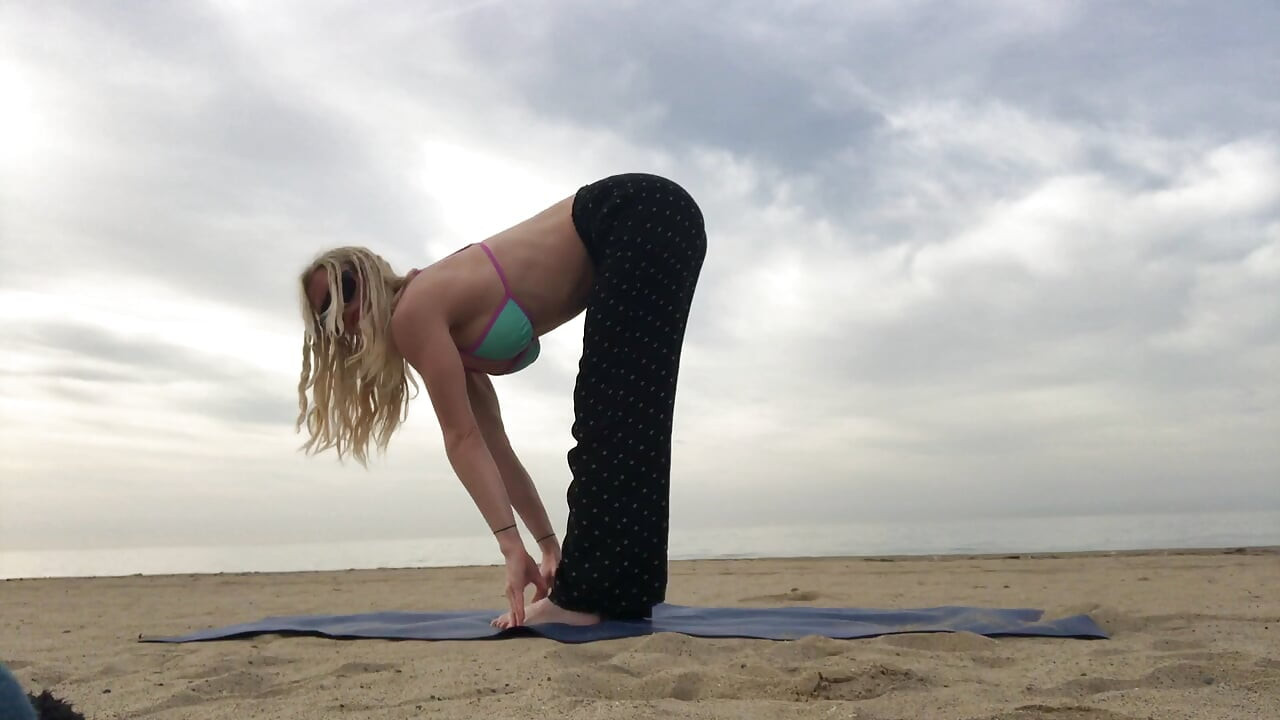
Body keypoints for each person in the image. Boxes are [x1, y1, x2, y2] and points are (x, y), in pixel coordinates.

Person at [295, 173, 707, 628]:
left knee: (613, 414)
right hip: (656, 215)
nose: (342, 311)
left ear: (370, 273)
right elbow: (490, 446)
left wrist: (510, 547)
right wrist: (547, 546)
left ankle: (589, 599)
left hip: (631, 214)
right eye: (326, 310)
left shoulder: (413, 312)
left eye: (345, 289)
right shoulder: (432, 325)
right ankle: (619, 595)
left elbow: (459, 438)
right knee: (634, 414)